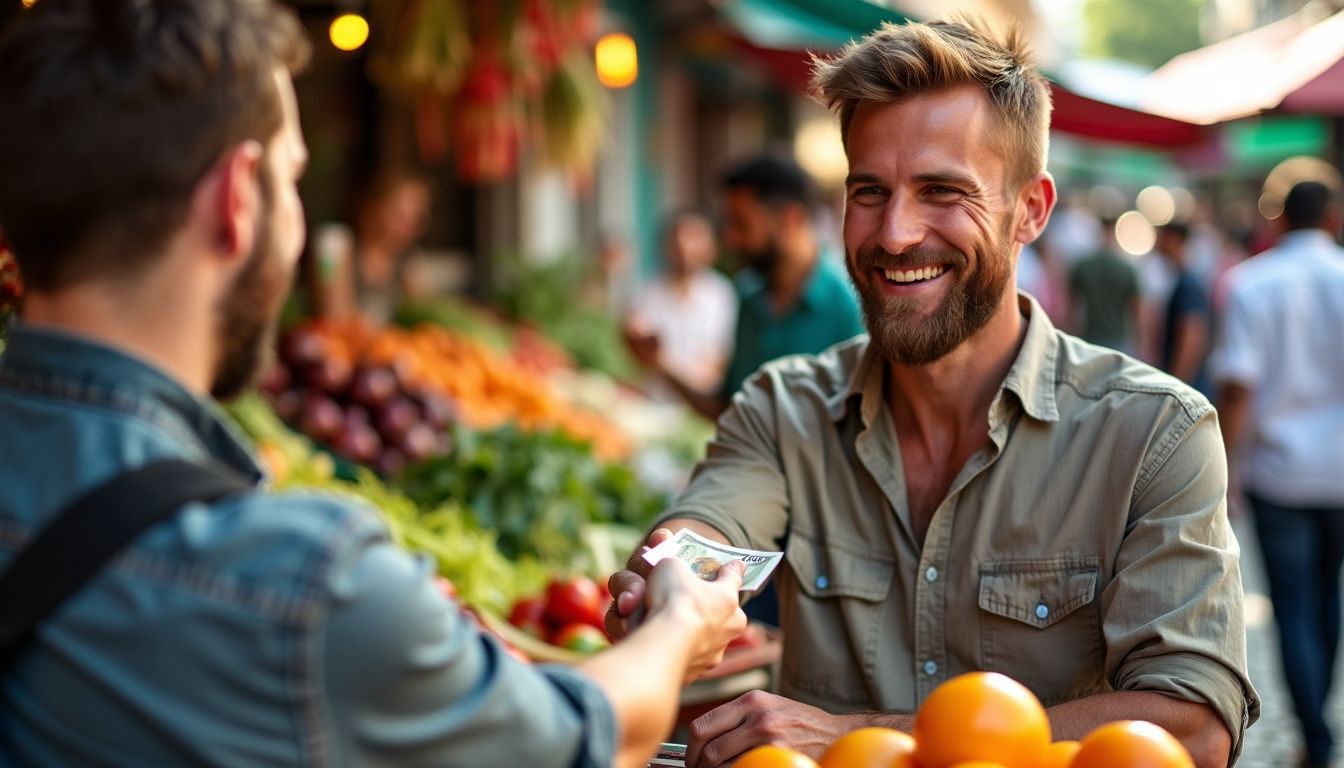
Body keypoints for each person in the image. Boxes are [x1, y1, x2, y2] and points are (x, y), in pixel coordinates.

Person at [0, 2, 747, 766]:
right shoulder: (304, 583)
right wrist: (680, 625)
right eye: (292, 179)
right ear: (237, 198)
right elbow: (590, 739)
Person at [607, 18, 1257, 768]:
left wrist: (860, 738)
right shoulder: (782, 408)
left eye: (942, 191)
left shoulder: (1154, 433)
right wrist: (669, 589)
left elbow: (1194, 725)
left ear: (1031, 210)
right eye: (869, 191)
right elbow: (708, 528)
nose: (894, 233)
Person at [1211, 180, 1344, 768]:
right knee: (1328, 597)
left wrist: (1227, 468)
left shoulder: (1252, 282)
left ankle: (1315, 735)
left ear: (1281, 218)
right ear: (1334, 217)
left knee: (1293, 605)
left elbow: (1237, 386)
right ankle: (1318, 730)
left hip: (1277, 472)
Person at [629, 156, 864, 422]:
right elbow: (730, 409)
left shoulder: (851, 308)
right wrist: (659, 362)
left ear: (790, 219)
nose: (729, 238)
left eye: (742, 224)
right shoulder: (748, 296)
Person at [624, 209, 738, 401]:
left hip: (704, 406)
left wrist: (660, 361)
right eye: (677, 239)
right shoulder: (648, 293)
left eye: (693, 238)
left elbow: (717, 366)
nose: (684, 247)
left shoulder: (722, 295)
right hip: (655, 403)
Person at [1067, 216, 1142, 354]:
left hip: (1090, 338)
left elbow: (1071, 309)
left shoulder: (1084, 266)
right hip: (1119, 340)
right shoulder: (1127, 269)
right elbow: (1136, 312)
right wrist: (1140, 342)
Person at [1154, 222, 1211, 393]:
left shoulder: (1188, 283)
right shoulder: (1183, 279)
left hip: (1188, 389)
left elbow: (1192, 337)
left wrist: (1177, 388)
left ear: (1174, 239)